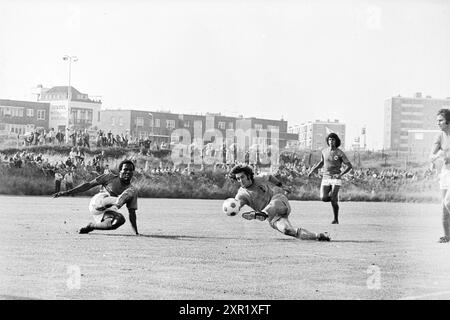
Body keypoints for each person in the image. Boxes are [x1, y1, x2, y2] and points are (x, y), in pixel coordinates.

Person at [229, 164, 330, 241]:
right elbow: (238, 203)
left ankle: (263, 213)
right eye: (238, 179)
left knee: (274, 203)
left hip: (279, 202)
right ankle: (320, 236)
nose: (240, 180)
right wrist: (234, 206)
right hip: (273, 218)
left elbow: (269, 177)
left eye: (242, 177)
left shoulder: (259, 179)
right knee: (288, 230)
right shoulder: (241, 194)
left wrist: (282, 186)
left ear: (248, 176)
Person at [53, 159, 139, 235]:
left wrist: (136, 232)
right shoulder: (109, 177)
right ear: (120, 170)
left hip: (106, 211)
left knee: (120, 220)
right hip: (97, 202)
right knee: (124, 195)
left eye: (130, 170)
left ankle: (91, 226)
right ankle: (117, 201)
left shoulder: (133, 191)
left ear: (133, 173)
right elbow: (88, 185)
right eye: (125, 169)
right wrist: (67, 192)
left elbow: (132, 213)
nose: (128, 172)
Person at [308, 133, 352, 224]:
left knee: (333, 198)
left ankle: (335, 219)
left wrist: (341, 175)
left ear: (336, 141)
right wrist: (313, 170)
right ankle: (334, 199)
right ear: (328, 141)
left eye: (333, 140)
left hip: (336, 178)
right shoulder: (324, 151)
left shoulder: (340, 153)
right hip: (326, 177)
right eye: (330, 140)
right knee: (323, 198)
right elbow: (321, 163)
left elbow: (349, 166)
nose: (331, 141)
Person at [430, 108, 450, 243]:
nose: (438, 123)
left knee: (448, 201)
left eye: (441, 120)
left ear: (448, 121)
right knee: (444, 206)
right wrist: (436, 157)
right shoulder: (439, 136)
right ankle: (447, 236)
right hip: (445, 172)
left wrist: (446, 156)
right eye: (437, 120)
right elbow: (431, 155)